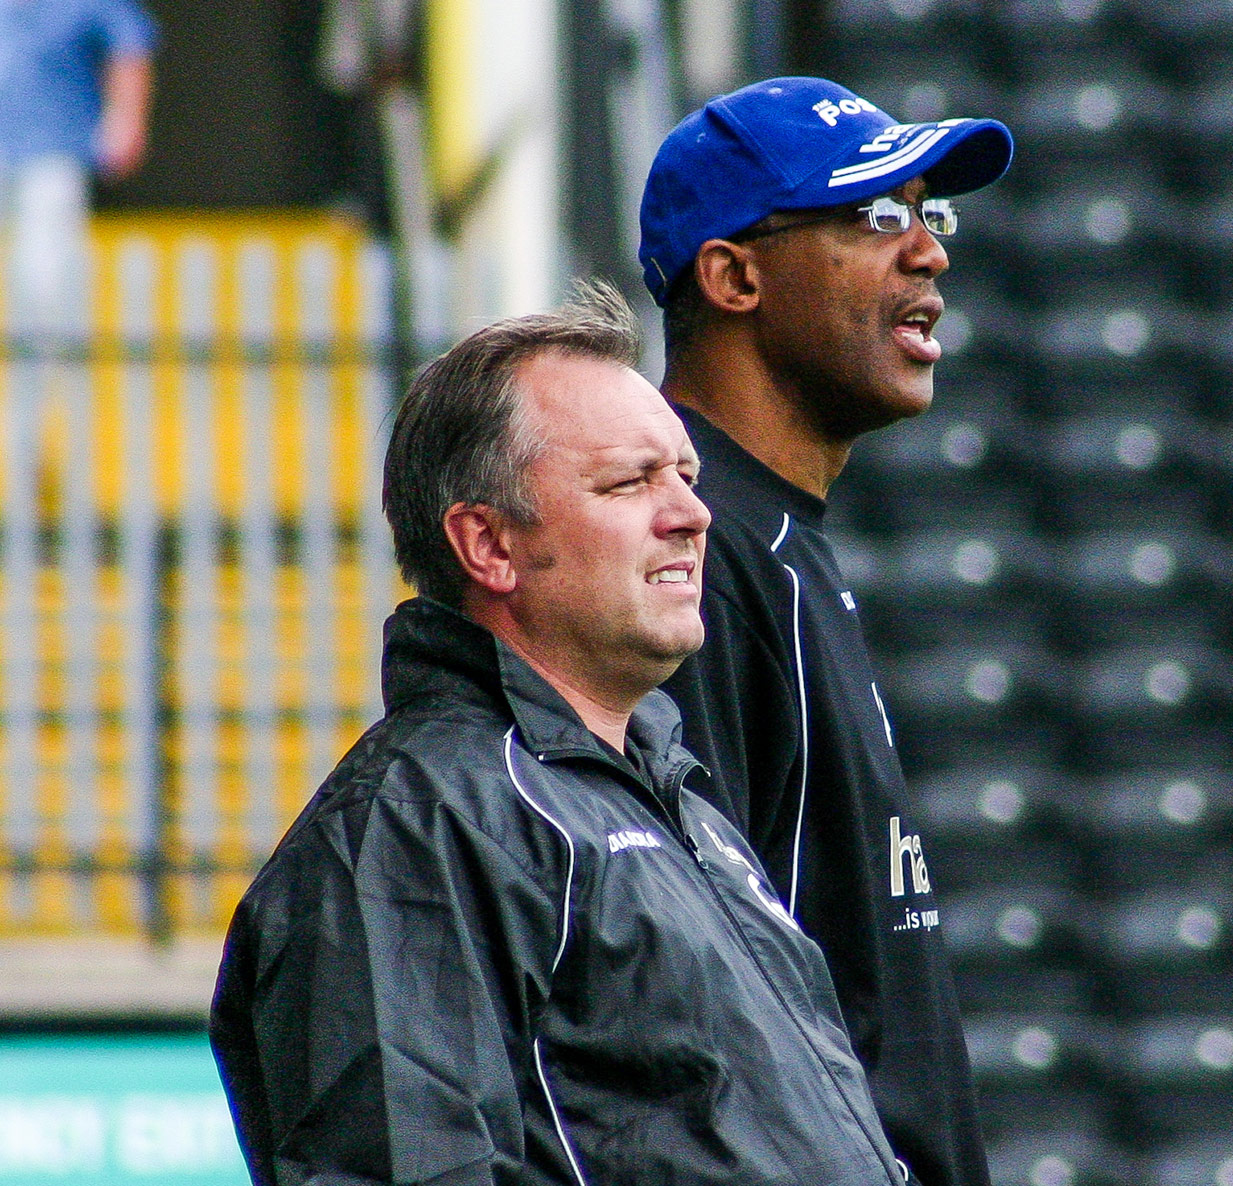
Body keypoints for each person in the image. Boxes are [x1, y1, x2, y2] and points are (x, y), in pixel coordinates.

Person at [210, 285, 908, 1186]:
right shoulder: (416, 825)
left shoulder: (668, 796)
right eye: (630, 482)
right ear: (488, 545)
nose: (692, 515)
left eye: (687, 478)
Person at [640, 78, 1013, 1186]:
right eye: (875, 217)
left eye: (927, 215)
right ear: (735, 274)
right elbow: (686, 995)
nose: (929, 255)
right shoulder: (685, 552)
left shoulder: (772, 536)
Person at [0, 0, 156, 337]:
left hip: (54, 150)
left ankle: (47, 353)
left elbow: (130, 44)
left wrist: (127, 119)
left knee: (44, 268)